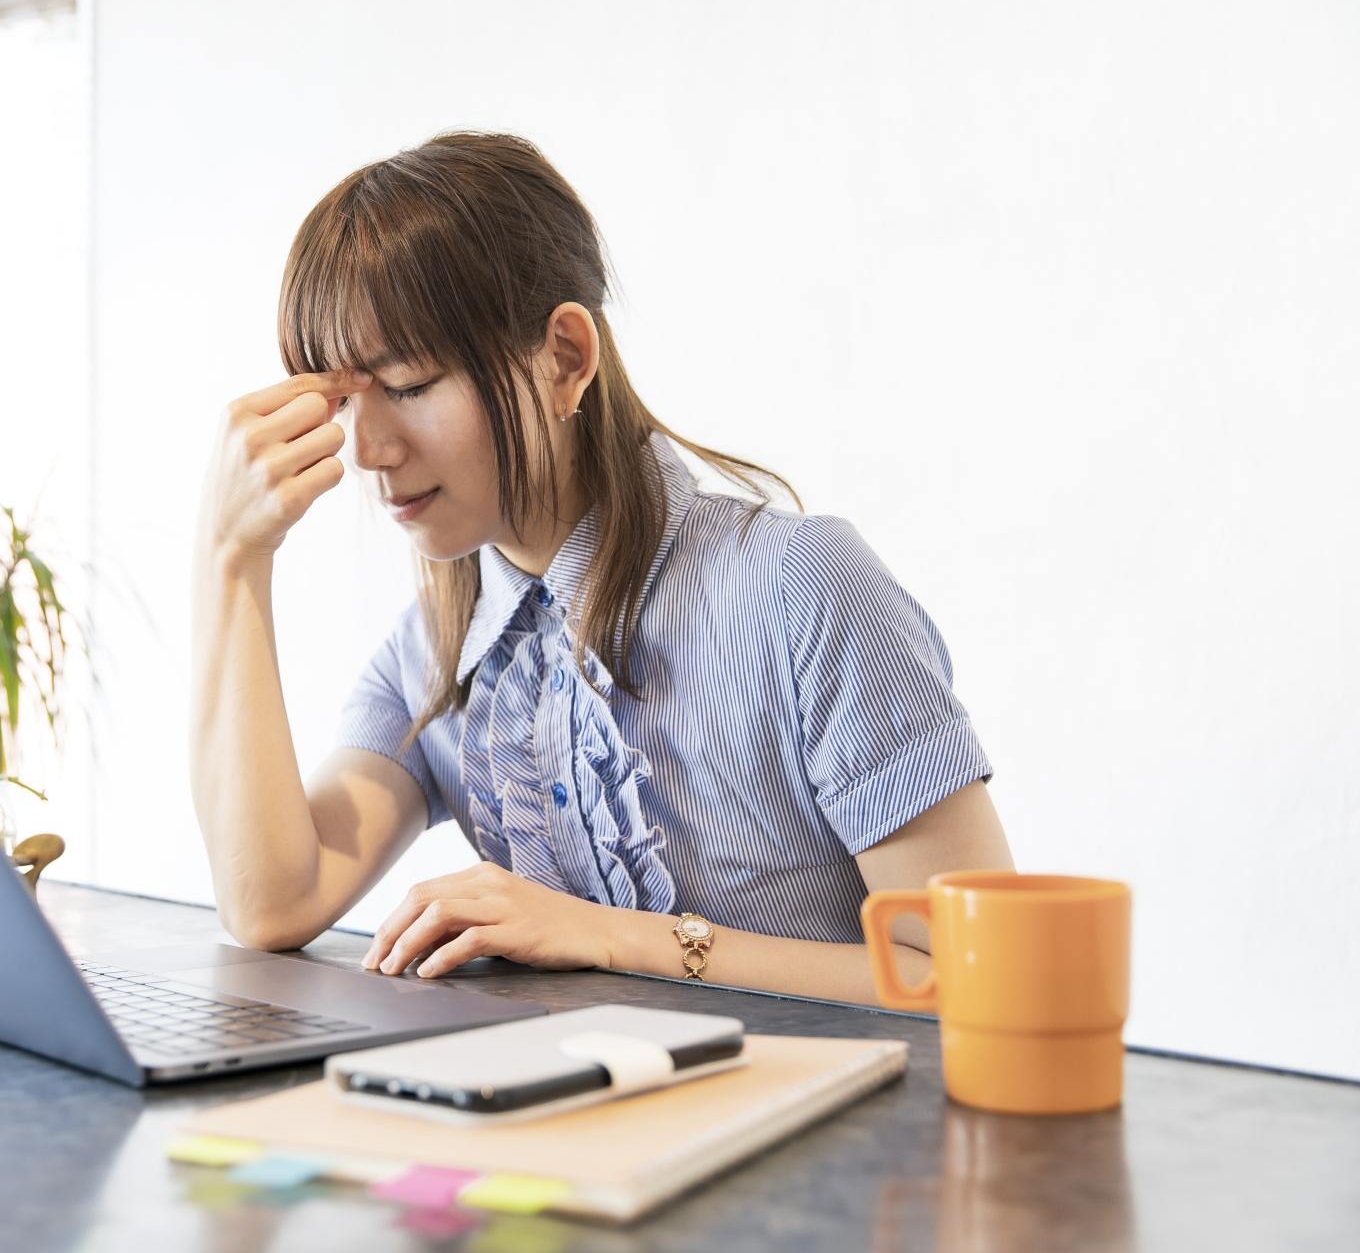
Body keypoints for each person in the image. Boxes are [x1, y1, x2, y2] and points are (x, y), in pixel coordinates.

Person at [188, 130, 1013, 1011]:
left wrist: (613, 937)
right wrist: (232, 561)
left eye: (413, 385)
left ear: (565, 359)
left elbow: (978, 975)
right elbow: (269, 900)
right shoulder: (437, 647)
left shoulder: (799, 586)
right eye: (345, 401)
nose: (369, 450)